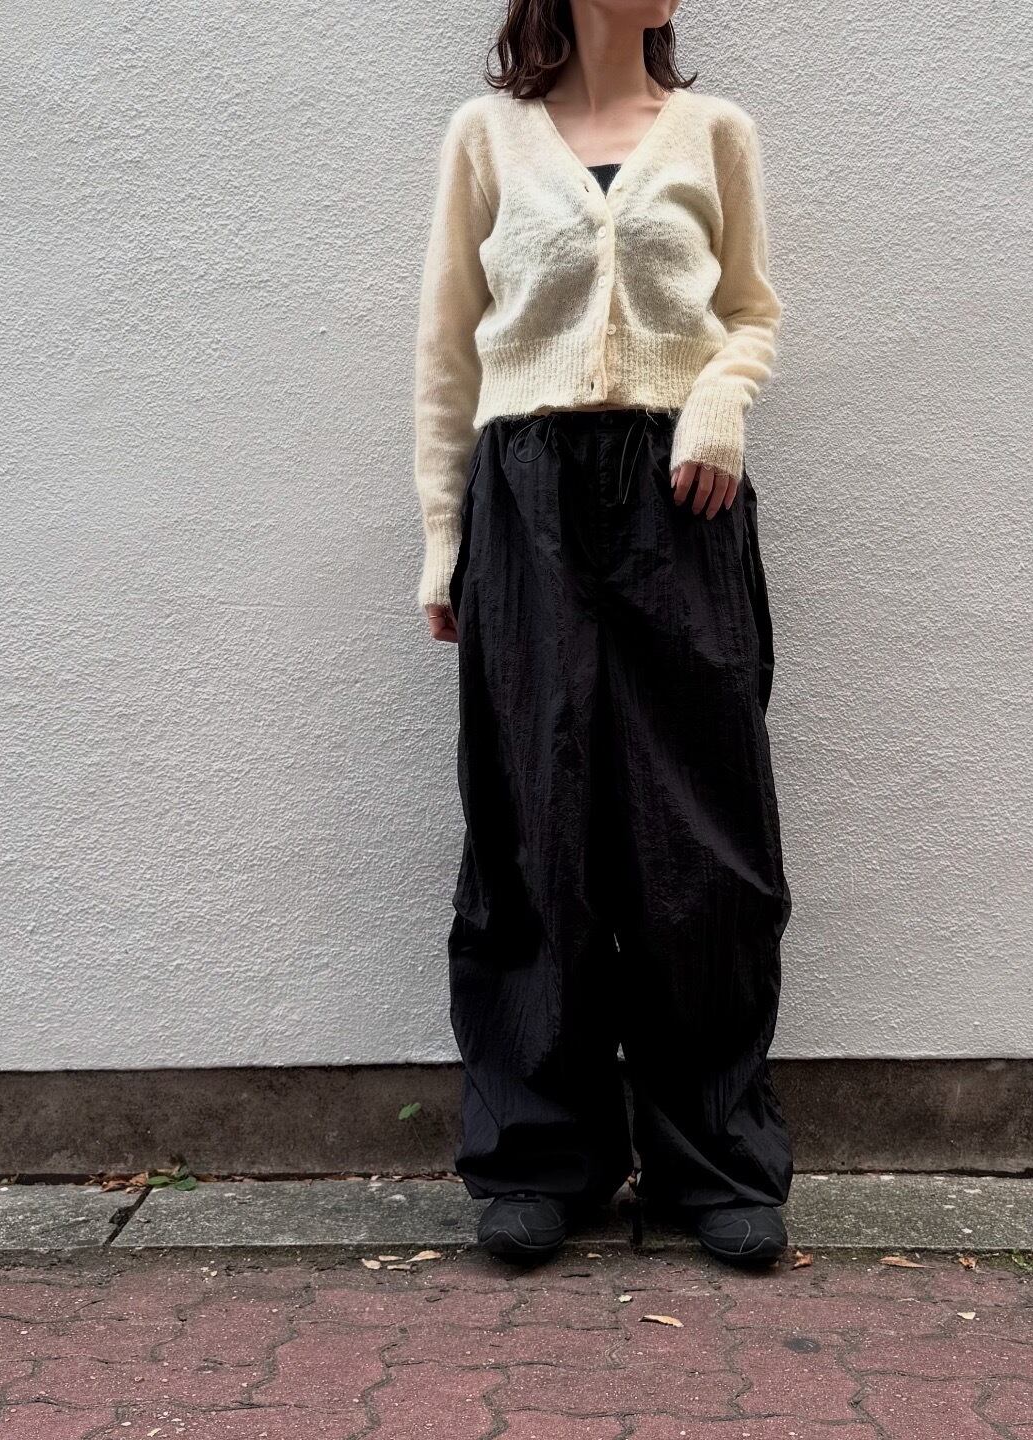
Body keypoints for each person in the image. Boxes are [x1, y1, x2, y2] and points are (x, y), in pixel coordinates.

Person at [412, 0, 792, 1267]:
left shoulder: (716, 131)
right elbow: (447, 355)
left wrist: (719, 401)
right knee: (535, 824)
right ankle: (540, 1157)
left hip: (684, 499)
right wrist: (443, 538)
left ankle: (711, 1159)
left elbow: (754, 311)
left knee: (703, 836)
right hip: (526, 500)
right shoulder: (486, 137)